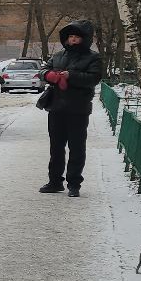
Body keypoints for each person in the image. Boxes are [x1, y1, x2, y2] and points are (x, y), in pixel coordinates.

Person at [37, 20, 103, 197]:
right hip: (56, 108)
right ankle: (55, 181)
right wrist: (49, 75)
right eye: (70, 36)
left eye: (76, 37)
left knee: (77, 147)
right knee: (56, 147)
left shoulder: (93, 57)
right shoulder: (58, 55)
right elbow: (44, 69)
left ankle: (74, 184)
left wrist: (71, 76)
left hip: (78, 109)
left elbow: (93, 78)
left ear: (85, 39)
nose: (73, 40)